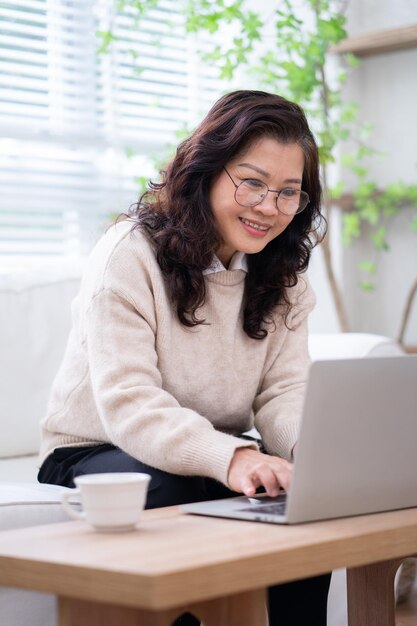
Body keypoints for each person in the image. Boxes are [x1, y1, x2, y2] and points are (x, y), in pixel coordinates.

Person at [38, 90, 330, 625]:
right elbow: (129, 403)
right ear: (207, 171)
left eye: (290, 192)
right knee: (174, 486)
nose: (269, 206)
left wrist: (308, 452)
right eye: (253, 182)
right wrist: (235, 458)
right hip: (96, 450)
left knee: (299, 493)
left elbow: (283, 391)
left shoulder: (281, 271)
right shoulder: (130, 253)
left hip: (210, 452)